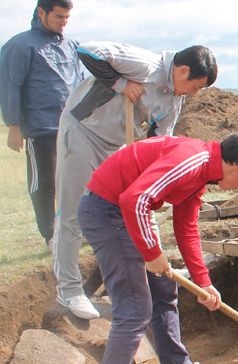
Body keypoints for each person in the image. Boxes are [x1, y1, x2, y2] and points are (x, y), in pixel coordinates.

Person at [77, 132, 238, 364]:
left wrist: (203, 280)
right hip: (108, 212)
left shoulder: (203, 173)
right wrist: (153, 252)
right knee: (134, 308)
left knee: (164, 288)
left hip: (122, 210)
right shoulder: (192, 160)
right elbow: (135, 198)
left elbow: (186, 225)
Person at [53, 43, 217, 320]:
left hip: (117, 146)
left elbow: (162, 143)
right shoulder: (145, 65)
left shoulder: (173, 100)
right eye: (196, 86)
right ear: (183, 70)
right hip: (84, 131)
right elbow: (89, 51)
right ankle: (69, 289)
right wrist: (120, 84)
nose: (194, 93)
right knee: (72, 212)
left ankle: (153, 276)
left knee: (143, 206)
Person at [0, 0, 84, 248]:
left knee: (75, 180)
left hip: (71, 126)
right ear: (41, 12)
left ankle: (76, 229)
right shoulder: (19, 46)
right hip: (40, 127)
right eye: (58, 16)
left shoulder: (71, 45)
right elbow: (10, 86)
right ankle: (51, 236)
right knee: (44, 183)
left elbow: (78, 83)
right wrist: (13, 125)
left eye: (67, 17)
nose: (63, 22)